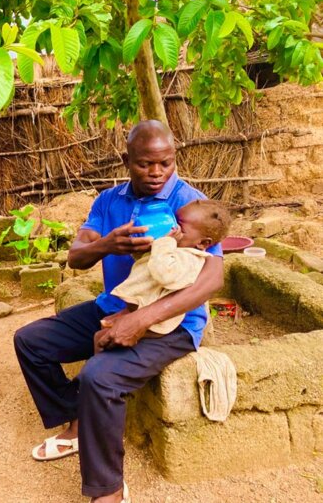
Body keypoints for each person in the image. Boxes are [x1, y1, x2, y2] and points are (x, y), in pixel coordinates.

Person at [14, 120, 225, 503]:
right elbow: (76, 256)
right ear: (126, 159)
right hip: (114, 305)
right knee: (31, 341)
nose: (158, 173)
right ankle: (79, 423)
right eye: (146, 164)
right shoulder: (109, 202)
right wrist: (107, 245)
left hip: (172, 322)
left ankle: (108, 490)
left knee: (100, 377)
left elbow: (212, 280)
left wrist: (141, 320)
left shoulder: (191, 205)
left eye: (166, 163)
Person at [100, 199, 231, 351]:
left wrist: (164, 243)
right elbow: (147, 265)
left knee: (102, 339)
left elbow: (163, 275)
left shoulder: (189, 259)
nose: (173, 228)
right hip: (136, 307)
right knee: (100, 335)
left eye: (180, 226)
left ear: (202, 243)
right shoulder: (176, 249)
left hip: (155, 325)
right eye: (174, 220)